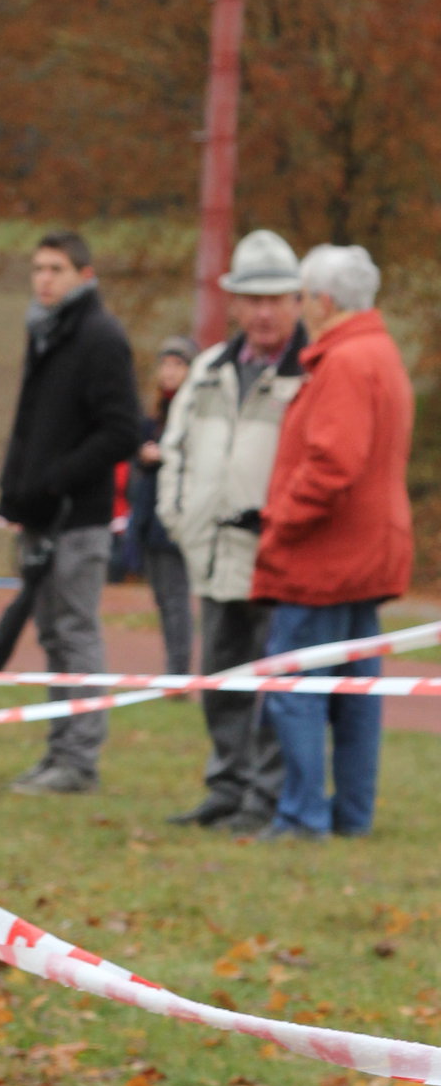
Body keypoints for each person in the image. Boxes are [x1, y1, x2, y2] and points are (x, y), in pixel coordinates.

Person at [253, 244, 414, 842]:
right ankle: (351, 813)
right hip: (368, 553)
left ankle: (302, 816)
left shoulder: (344, 361)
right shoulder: (380, 352)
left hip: (326, 557)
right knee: (356, 693)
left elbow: (332, 465)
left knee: (298, 688)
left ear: (322, 301)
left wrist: (280, 521)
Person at [156, 230, 306, 833]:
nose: (264, 313)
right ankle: (227, 788)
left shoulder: (309, 372)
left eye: (276, 299)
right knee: (221, 681)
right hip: (212, 553)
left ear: (297, 301)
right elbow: (175, 448)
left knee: (276, 687)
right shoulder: (209, 368)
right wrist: (178, 517)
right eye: (253, 300)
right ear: (236, 303)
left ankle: (265, 798)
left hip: (276, 558)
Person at [0, 232, 142, 795]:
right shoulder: (46, 332)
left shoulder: (100, 336)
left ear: (85, 274)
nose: (44, 278)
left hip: (79, 518)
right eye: (38, 268)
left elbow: (122, 430)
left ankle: (79, 760)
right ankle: (60, 750)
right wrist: (16, 492)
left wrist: (57, 479)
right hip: (40, 516)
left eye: (56, 268)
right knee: (53, 635)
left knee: (76, 632)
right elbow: (31, 424)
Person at [123, 335, 196, 674]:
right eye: (165, 364)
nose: (169, 372)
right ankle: (174, 668)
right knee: (164, 599)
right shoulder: (151, 418)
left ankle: (178, 672)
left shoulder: (196, 414)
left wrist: (164, 456)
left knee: (177, 599)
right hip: (149, 518)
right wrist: (141, 457)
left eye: (178, 365)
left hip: (178, 519)